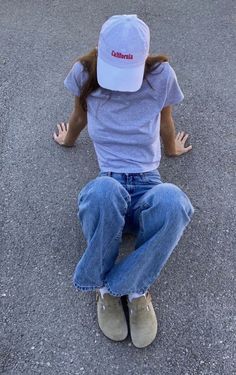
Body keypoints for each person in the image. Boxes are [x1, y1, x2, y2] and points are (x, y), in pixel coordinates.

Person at [53, 14, 194, 348]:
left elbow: (166, 119)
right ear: (101, 50)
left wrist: (172, 146)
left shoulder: (161, 76)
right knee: (103, 191)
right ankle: (102, 287)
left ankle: (131, 287)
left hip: (148, 186)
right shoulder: (84, 73)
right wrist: (68, 139)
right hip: (110, 187)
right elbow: (79, 116)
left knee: (175, 201)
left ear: (144, 56)